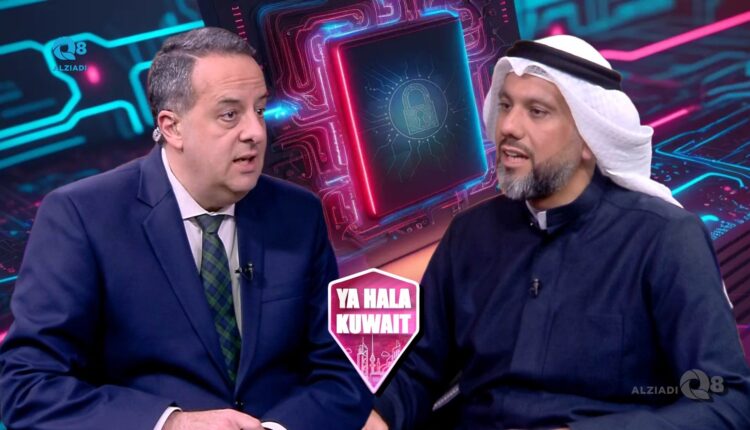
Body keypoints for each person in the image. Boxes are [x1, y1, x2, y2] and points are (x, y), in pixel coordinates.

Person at [364, 35, 750, 430]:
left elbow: (726, 402)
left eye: (537, 111)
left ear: (589, 139)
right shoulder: (469, 233)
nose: (508, 127)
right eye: (505, 105)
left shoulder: (664, 238)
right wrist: (378, 416)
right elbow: (418, 368)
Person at [0, 27, 370, 430]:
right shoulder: (81, 217)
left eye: (260, 110)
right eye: (230, 115)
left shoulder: (298, 213)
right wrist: (173, 425)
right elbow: (26, 387)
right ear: (172, 127)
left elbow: (341, 369)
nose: (255, 132)